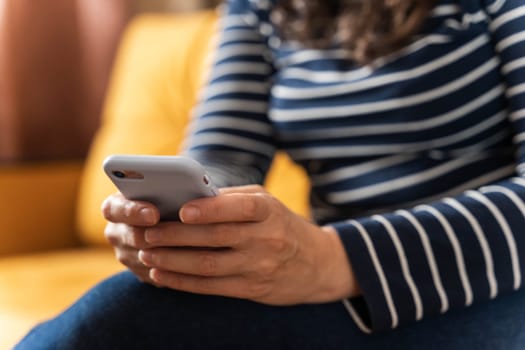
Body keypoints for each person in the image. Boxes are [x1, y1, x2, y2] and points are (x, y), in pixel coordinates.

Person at [16, 0, 525, 348]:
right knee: (121, 311)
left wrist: (333, 259)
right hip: (326, 285)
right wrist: (187, 215)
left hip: (493, 279)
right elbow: (223, 154)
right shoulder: (263, 7)